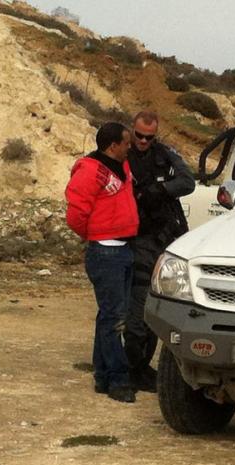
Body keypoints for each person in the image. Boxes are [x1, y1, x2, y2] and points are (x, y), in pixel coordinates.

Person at [65, 123, 139, 403]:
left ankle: (103, 375)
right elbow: (75, 215)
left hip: (123, 248)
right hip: (106, 252)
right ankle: (117, 379)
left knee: (108, 315)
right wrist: (95, 234)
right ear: (113, 146)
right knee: (114, 318)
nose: (130, 147)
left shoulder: (123, 167)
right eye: (126, 143)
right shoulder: (91, 171)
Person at [126, 111, 195, 392]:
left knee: (154, 303)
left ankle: (141, 365)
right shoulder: (123, 156)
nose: (143, 141)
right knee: (136, 304)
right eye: (139, 136)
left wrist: (161, 190)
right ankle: (132, 366)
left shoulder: (164, 155)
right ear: (132, 131)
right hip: (134, 237)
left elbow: (187, 182)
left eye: (148, 137)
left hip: (160, 237)